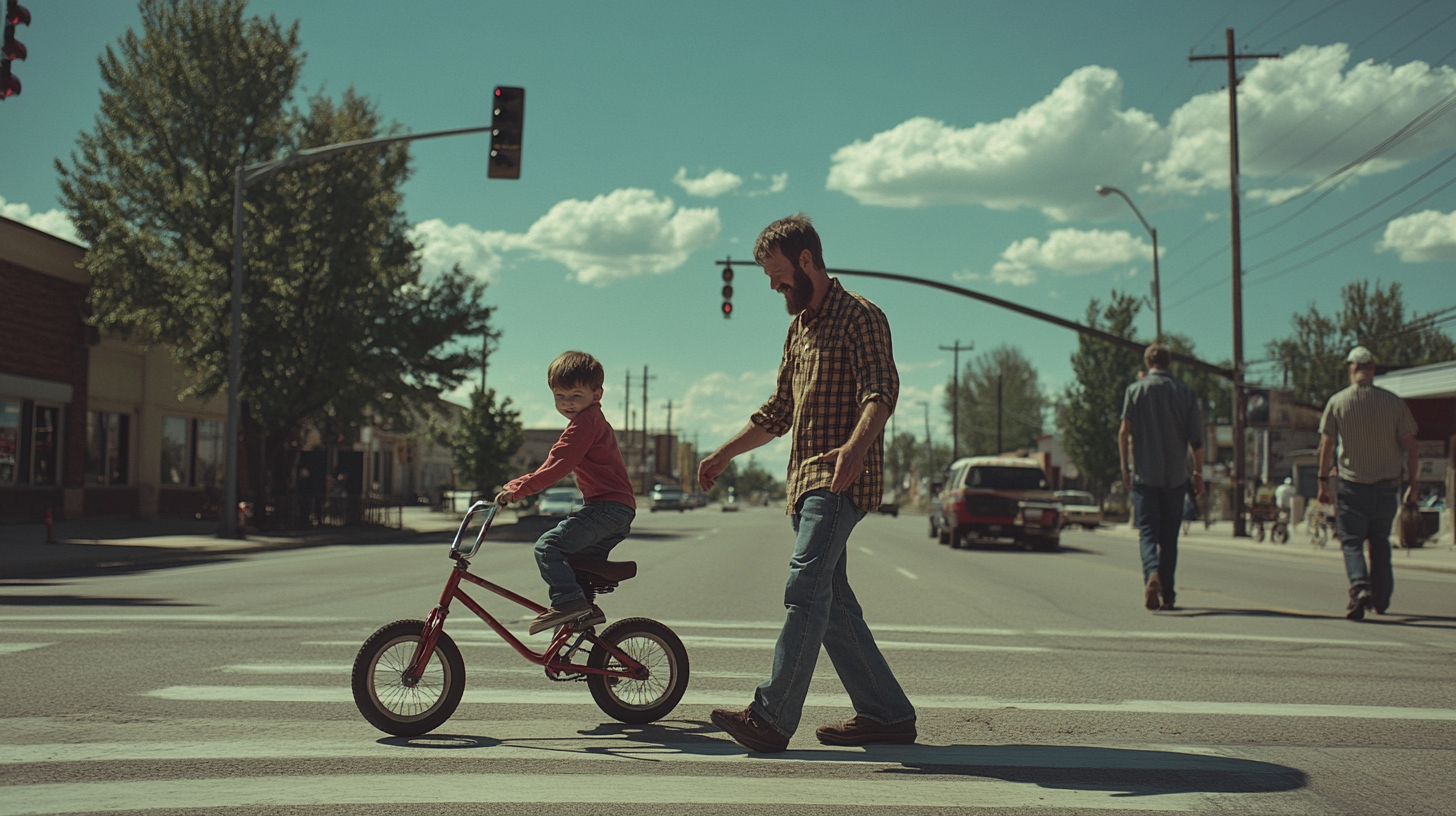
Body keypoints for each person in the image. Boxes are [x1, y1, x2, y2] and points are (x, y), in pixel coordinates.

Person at [698, 214, 916, 753]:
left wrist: (855, 449)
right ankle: (887, 714)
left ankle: (770, 718)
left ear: (806, 261)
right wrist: (723, 453)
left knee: (803, 588)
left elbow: (880, 391)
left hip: (837, 480)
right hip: (804, 483)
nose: (774, 286)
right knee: (832, 603)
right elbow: (779, 411)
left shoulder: (860, 316)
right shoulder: (799, 329)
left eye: (777, 275)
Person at [495, 351, 637, 635]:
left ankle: (569, 602)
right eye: (560, 396)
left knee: (549, 547)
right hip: (616, 509)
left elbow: (558, 466)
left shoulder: (584, 424)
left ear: (597, 394)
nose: (567, 403)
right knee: (575, 564)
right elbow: (553, 462)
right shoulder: (589, 421)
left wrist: (519, 491)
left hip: (607, 508)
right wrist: (515, 484)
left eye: (575, 395)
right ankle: (584, 614)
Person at [1316, 346, 1419, 620]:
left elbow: (1326, 443)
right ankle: (1382, 599)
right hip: (1387, 486)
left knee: (1351, 542)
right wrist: (1413, 484)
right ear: (1372, 369)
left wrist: (1323, 481)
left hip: (1352, 485)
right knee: (1380, 541)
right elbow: (1411, 446)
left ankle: (1360, 587)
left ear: (1352, 369)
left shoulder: (1337, 402)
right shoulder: (1395, 403)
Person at [1119, 343, 1205, 611]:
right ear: (1169, 363)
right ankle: (1168, 593)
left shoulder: (1135, 391)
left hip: (1145, 476)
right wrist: (1198, 472)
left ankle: (1152, 574)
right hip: (1176, 478)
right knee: (1169, 538)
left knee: (1147, 533)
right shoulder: (1185, 393)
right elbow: (1197, 440)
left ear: (1148, 362)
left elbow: (1124, 431)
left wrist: (1125, 468)